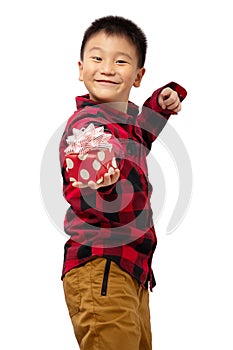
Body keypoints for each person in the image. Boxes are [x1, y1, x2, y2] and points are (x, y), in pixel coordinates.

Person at [59, 15, 187, 350]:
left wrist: (161, 103)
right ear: (81, 68)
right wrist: (101, 183)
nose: (107, 68)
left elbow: (141, 134)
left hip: (133, 271)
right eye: (97, 58)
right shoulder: (86, 124)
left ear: (138, 75)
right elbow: (83, 167)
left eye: (121, 61)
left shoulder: (126, 124)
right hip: (101, 264)